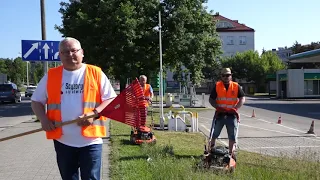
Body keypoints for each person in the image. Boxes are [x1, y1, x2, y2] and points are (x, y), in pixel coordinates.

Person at [31, 37, 117, 180]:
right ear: (59, 55)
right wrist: (43, 119)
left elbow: (111, 99)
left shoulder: (96, 73)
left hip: (91, 141)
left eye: (74, 51)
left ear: (82, 52)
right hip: (63, 142)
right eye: (65, 52)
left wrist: (94, 114)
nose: (70, 55)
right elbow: (36, 101)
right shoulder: (51, 75)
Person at [208, 68, 245, 157]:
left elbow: (242, 98)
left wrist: (236, 108)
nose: (226, 77)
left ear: (231, 76)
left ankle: (231, 154)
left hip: (232, 115)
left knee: (232, 136)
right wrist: (217, 107)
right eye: (223, 75)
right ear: (221, 76)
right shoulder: (217, 86)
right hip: (220, 115)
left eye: (228, 75)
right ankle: (211, 151)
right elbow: (211, 99)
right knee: (214, 134)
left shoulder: (236, 86)